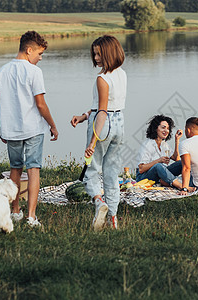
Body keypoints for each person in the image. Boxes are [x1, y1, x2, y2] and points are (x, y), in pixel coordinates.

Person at [0, 31, 59, 227]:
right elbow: (40, 104)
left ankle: (15, 211)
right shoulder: (34, 72)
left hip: (11, 129)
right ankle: (31, 216)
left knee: (15, 169)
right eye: (39, 54)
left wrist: (3, 126)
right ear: (29, 50)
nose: (40, 58)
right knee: (33, 169)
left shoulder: (3, 71)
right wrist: (53, 125)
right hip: (33, 129)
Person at [70, 35, 126, 231]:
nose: (95, 58)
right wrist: (84, 116)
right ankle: (114, 219)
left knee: (90, 172)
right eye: (94, 54)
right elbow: (104, 106)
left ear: (109, 53)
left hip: (103, 124)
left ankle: (98, 201)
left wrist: (93, 141)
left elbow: (102, 112)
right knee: (111, 173)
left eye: (99, 54)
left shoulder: (102, 79)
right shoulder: (122, 74)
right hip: (119, 123)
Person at [136, 115, 184, 189]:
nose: (166, 131)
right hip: (143, 177)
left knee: (182, 163)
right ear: (155, 129)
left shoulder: (164, 144)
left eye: (168, 128)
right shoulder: (148, 144)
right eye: (163, 127)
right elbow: (141, 169)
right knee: (158, 166)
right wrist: (159, 160)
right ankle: (180, 186)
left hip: (160, 174)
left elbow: (176, 158)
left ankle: (167, 181)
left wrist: (177, 140)